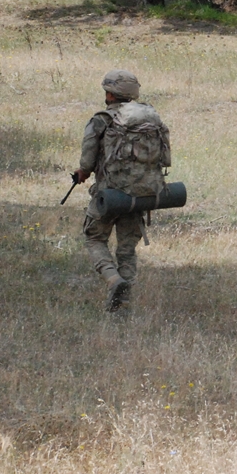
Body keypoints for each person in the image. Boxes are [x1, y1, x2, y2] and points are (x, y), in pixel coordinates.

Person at [74, 69, 171, 312]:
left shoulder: (102, 120)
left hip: (110, 194)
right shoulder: (151, 119)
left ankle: (113, 279)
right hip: (141, 194)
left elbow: (87, 161)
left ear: (109, 94)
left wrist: (82, 173)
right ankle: (123, 303)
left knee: (95, 237)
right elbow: (165, 158)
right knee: (127, 249)